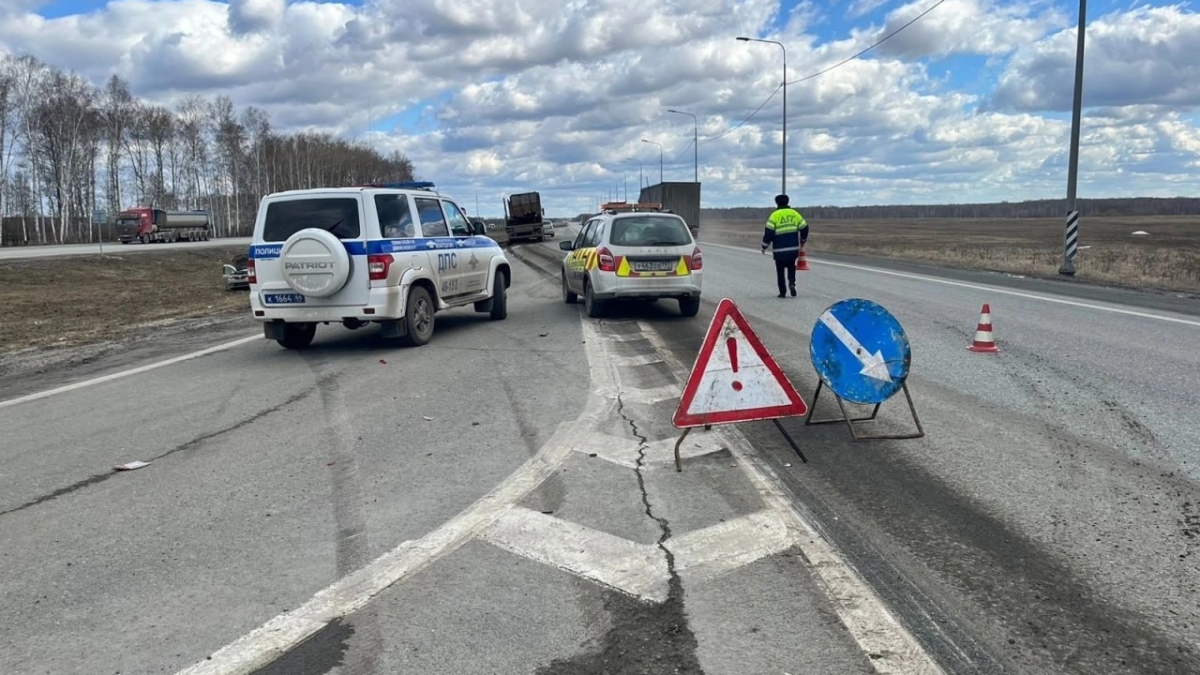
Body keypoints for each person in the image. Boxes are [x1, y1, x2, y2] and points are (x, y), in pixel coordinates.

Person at [761, 194, 809, 298]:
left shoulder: (774, 215)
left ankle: (782, 292)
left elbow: (768, 233)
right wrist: (803, 240)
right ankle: (792, 283)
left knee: (780, 271)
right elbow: (805, 227)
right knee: (791, 266)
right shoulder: (794, 214)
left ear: (776, 203)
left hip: (779, 250)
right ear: (787, 202)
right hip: (793, 249)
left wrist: (764, 246)